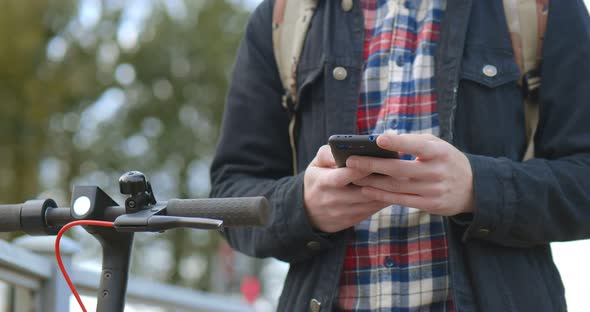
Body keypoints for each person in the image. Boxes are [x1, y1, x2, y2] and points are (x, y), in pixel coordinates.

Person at [210, 0, 590, 311]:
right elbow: (227, 199)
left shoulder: (543, 7)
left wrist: (478, 188)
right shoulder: (281, 17)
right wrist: (302, 207)